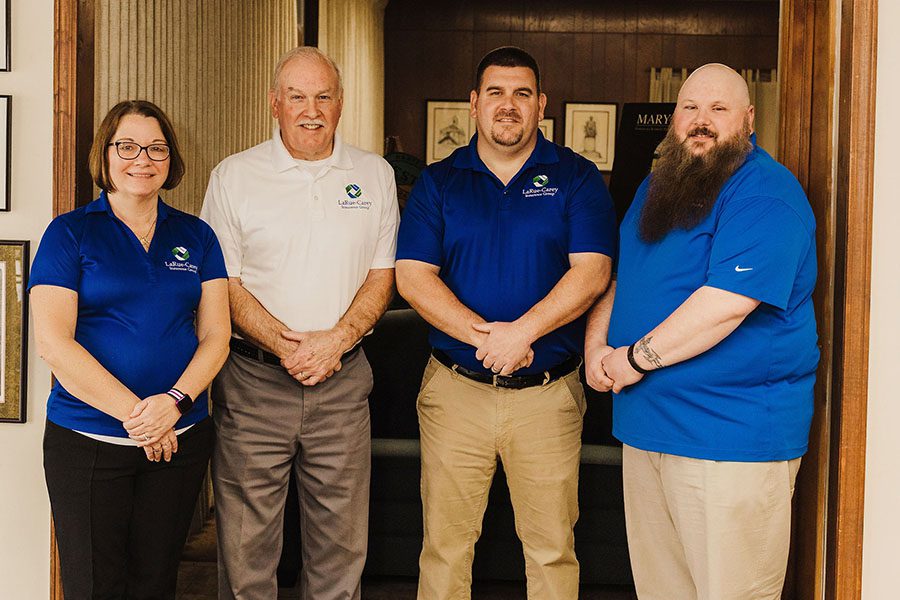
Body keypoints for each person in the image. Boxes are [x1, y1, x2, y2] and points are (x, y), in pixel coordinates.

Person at [584, 63, 818, 600]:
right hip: (648, 432)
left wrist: (632, 360)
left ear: (749, 119)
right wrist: (597, 344)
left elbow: (724, 306)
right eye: (689, 107)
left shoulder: (766, 195)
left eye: (719, 109)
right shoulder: (656, 186)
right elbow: (626, 276)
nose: (701, 120)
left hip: (728, 440)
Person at [396, 46, 617, 599]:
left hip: (548, 397)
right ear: (473, 103)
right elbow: (412, 277)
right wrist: (489, 338)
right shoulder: (439, 182)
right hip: (455, 394)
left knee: (551, 552)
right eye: (495, 92)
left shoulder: (577, 177)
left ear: (541, 104)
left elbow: (592, 273)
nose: (508, 105)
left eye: (522, 93)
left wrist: (524, 333)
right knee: (444, 550)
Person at [200, 46, 399, 600]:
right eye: (296, 97)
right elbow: (224, 285)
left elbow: (382, 276)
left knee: (340, 548)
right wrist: (289, 347)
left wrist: (335, 341)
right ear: (274, 104)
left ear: (340, 103)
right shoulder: (234, 177)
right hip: (254, 384)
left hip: (342, 382)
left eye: (323, 96)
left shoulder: (375, 174)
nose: (310, 110)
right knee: (246, 549)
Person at [30, 99, 231, 599]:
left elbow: (216, 336)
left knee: (157, 582)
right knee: (94, 586)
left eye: (157, 148)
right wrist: (140, 417)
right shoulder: (69, 233)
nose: (143, 159)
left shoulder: (197, 236)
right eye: (128, 146)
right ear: (106, 154)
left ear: (171, 160)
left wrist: (175, 404)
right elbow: (54, 343)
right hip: (89, 442)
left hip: (179, 441)